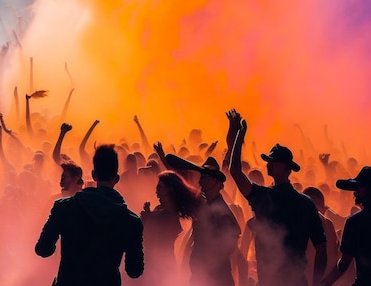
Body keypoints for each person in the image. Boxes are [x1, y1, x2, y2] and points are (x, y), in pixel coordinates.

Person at [226, 109, 327, 286]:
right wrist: (237, 137)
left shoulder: (274, 198)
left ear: (288, 169)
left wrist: (238, 138)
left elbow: (321, 247)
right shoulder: (268, 196)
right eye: (269, 161)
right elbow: (234, 171)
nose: (269, 164)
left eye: (274, 161)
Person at [35, 144, 144, 285]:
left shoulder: (64, 207)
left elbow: (43, 249)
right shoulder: (131, 222)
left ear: (93, 175)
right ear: (116, 178)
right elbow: (134, 270)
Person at [166, 153, 242, 286]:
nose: (202, 179)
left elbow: (230, 246)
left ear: (217, 183)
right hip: (200, 274)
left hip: (216, 278)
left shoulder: (222, 212)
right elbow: (181, 185)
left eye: (207, 176)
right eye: (203, 176)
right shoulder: (202, 204)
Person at [139, 170, 201, 285]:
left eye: (160, 187)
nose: (156, 191)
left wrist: (147, 219)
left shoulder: (169, 216)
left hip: (159, 268)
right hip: (153, 265)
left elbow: (155, 240)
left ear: (170, 189)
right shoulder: (159, 210)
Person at [322, 166, 371, 286]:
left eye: (359, 187)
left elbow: (344, 262)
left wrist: (327, 281)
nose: (355, 192)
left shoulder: (355, 222)